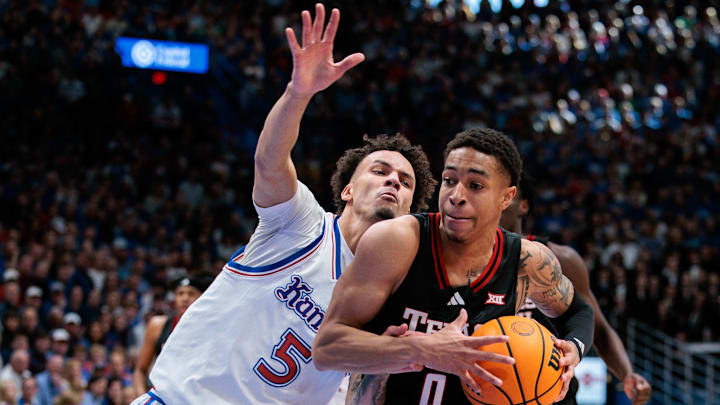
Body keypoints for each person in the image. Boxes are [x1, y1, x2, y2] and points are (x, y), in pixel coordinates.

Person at [131, 4, 436, 405]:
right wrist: (298, 93)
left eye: (405, 182)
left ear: (411, 211)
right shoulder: (304, 224)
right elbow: (270, 162)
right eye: (380, 171)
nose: (394, 180)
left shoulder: (389, 293)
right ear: (347, 189)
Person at [314, 128, 595, 404]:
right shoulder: (397, 241)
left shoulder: (527, 261)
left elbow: (578, 312)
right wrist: (419, 349)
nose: (456, 195)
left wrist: (574, 347)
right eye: (449, 180)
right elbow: (327, 349)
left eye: (475, 186)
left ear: (506, 198)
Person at [499, 172, 652, 405]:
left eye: (507, 195)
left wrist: (627, 375)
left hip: (553, 395)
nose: (496, 202)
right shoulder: (463, 259)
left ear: (524, 205)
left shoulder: (562, 259)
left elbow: (598, 329)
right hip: (494, 390)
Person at [131, 274, 212, 397]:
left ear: (201, 297)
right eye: (180, 293)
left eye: (191, 294)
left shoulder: (208, 330)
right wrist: (142, 399)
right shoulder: (157, 325)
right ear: (174, 298)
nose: (185, 298)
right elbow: (140, 370)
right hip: (161, 395)